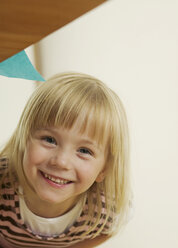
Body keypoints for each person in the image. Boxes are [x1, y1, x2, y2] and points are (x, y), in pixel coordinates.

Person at [0, 72, 132, 248]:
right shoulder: (3, 184)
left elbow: (109, 230)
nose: (61, 162)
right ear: (24, 139)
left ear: (103, 170)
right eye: (49, 140)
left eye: (84, 151)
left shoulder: (105, 208)